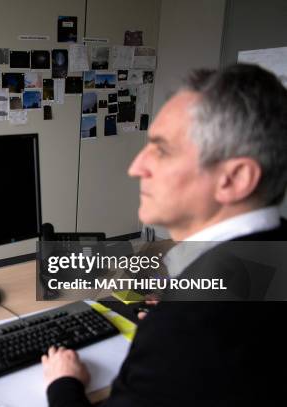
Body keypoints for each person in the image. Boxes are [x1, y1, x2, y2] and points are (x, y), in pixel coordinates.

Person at [42, 64, 287, 406]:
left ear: (235, 178)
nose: (136, 167)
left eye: (162, 149)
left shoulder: (189, 327)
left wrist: (63, 383)